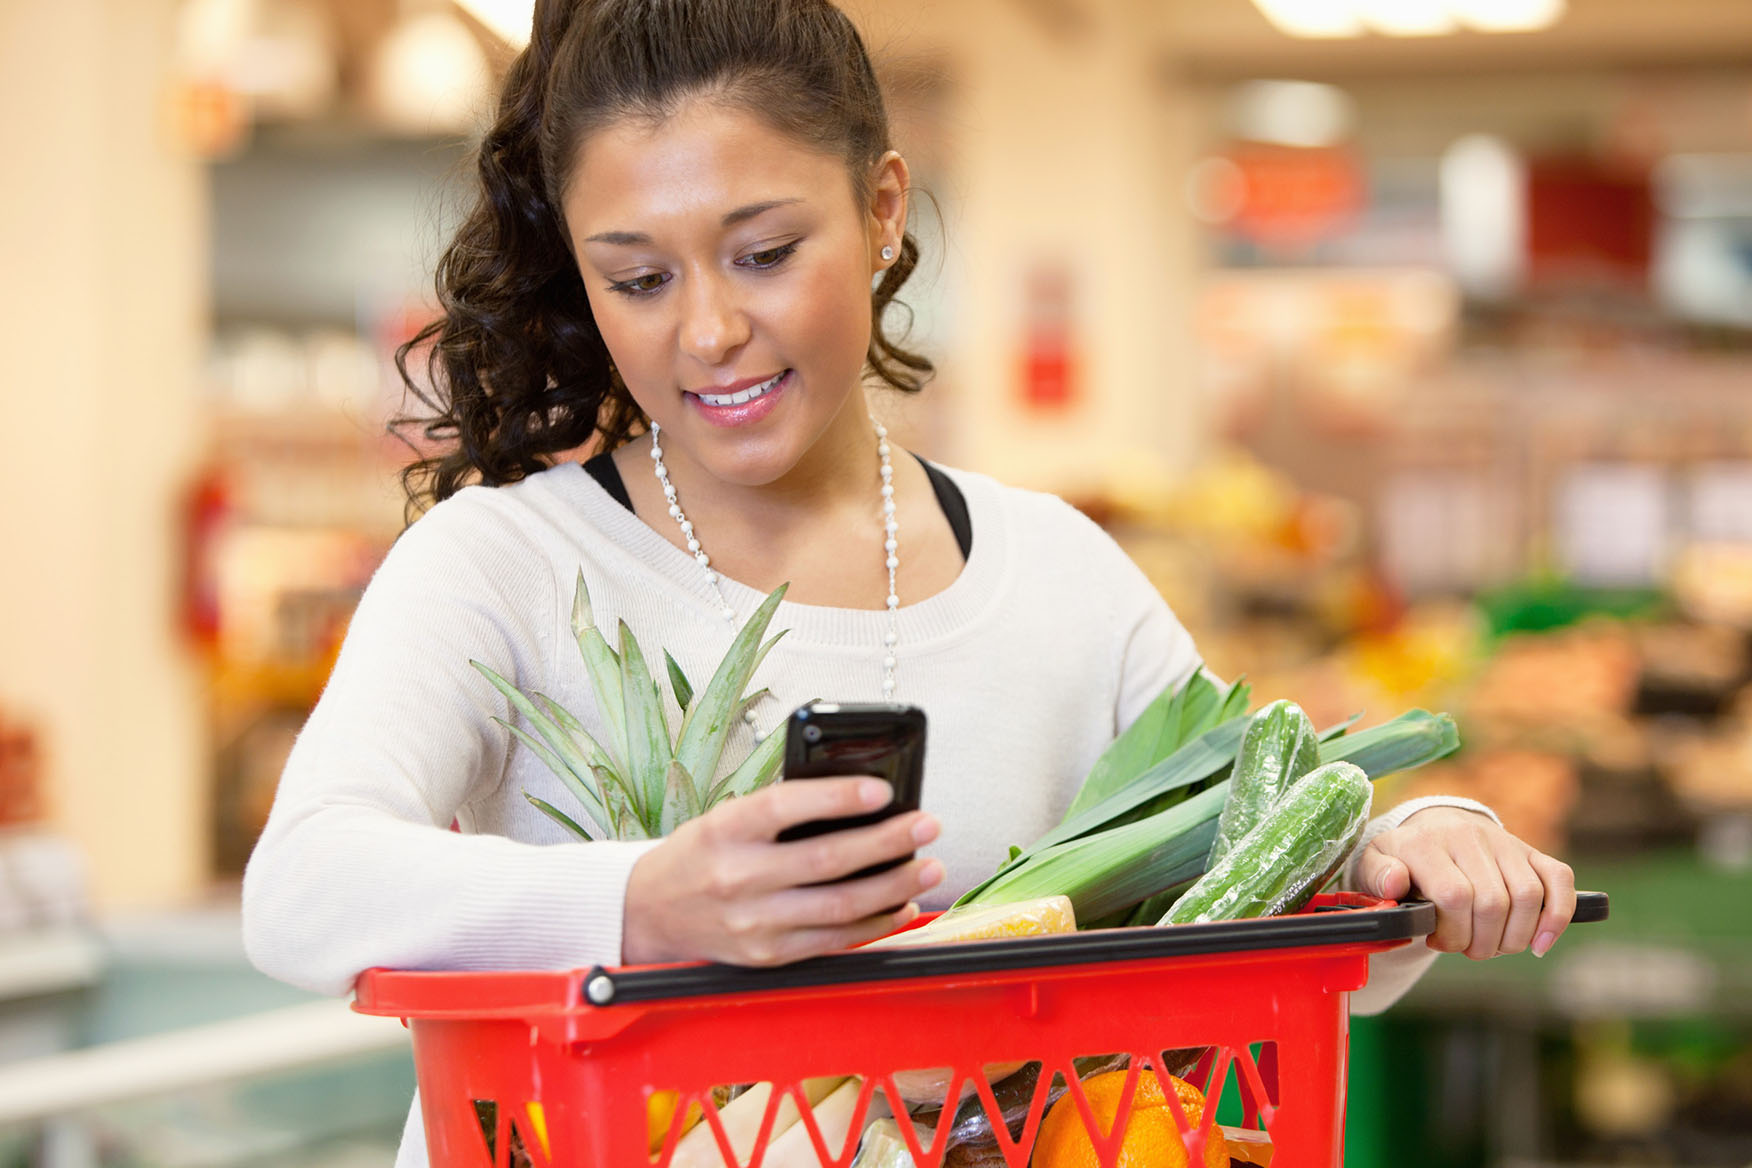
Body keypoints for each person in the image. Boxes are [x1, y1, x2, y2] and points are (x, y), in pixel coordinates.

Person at [240, 0, 1578, 1164]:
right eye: (637, 278)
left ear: (882, 211)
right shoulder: (507, 566)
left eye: (765, 252)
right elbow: (302, 887)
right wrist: (641, 903)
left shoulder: (1057, 576)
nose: (707, 330)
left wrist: (1416, 854)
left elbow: (1253, 888)